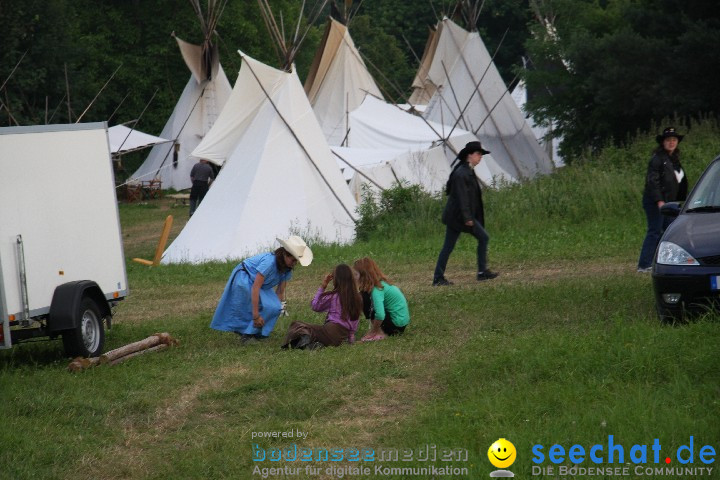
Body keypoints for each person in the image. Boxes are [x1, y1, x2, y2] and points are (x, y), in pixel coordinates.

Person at [210, 235, 313, 343]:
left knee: (273, 306)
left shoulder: (287, 269)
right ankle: (247, 335)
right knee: (250, 305)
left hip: (262, 284)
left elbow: (280, 291)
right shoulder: (269, 262)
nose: (294, 264)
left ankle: (257, 332)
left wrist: (277, 309)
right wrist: (256, 315)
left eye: (296, 261)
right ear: (285, 255)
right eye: (293, 260)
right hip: (245, 277)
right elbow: (255, 287)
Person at [433, 141, 498, 286]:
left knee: (449, 246)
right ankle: (481, 273)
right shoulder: (462, 173)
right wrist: (468, 218)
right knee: (483, 238)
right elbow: (462, 197)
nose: (480, 157)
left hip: (457, 217)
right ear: (470, 155)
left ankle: (439, 277)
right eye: (478, 154)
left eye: (481, 154)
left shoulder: (467, 169)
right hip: (459, 218)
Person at [637, 127, 688, 272]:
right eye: (668, 140)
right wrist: (659, 201)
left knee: (670, 232)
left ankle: (666, 261)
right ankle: (644, 264)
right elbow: (653, 182)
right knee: (655, 231)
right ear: (663, 142)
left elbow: (678, 181)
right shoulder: (657, 159)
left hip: (671, 203)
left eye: (674, 140)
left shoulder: (674, 159)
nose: (671, 142)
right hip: (656, 202)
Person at [281, 264, 362, 350]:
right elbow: (354, 323)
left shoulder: (333, 296)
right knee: (315, 332)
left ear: (336, 280)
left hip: (330, 331)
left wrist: (323, 286)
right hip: (341, 337)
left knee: (297, 325)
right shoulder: (357, 298)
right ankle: (311, 344)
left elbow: (315, 306)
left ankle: (305, 344)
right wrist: (351, 339)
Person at [353, 257, 410, 342]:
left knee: (365, 298)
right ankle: (379, 330)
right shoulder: (381, 284)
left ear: (364, 276)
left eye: (356, 274)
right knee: (364, 295)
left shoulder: (377, 290)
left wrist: (373, 330)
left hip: (395, 327)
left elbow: (380, 315)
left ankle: (379, 333)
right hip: (401, 324)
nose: (354, 277)